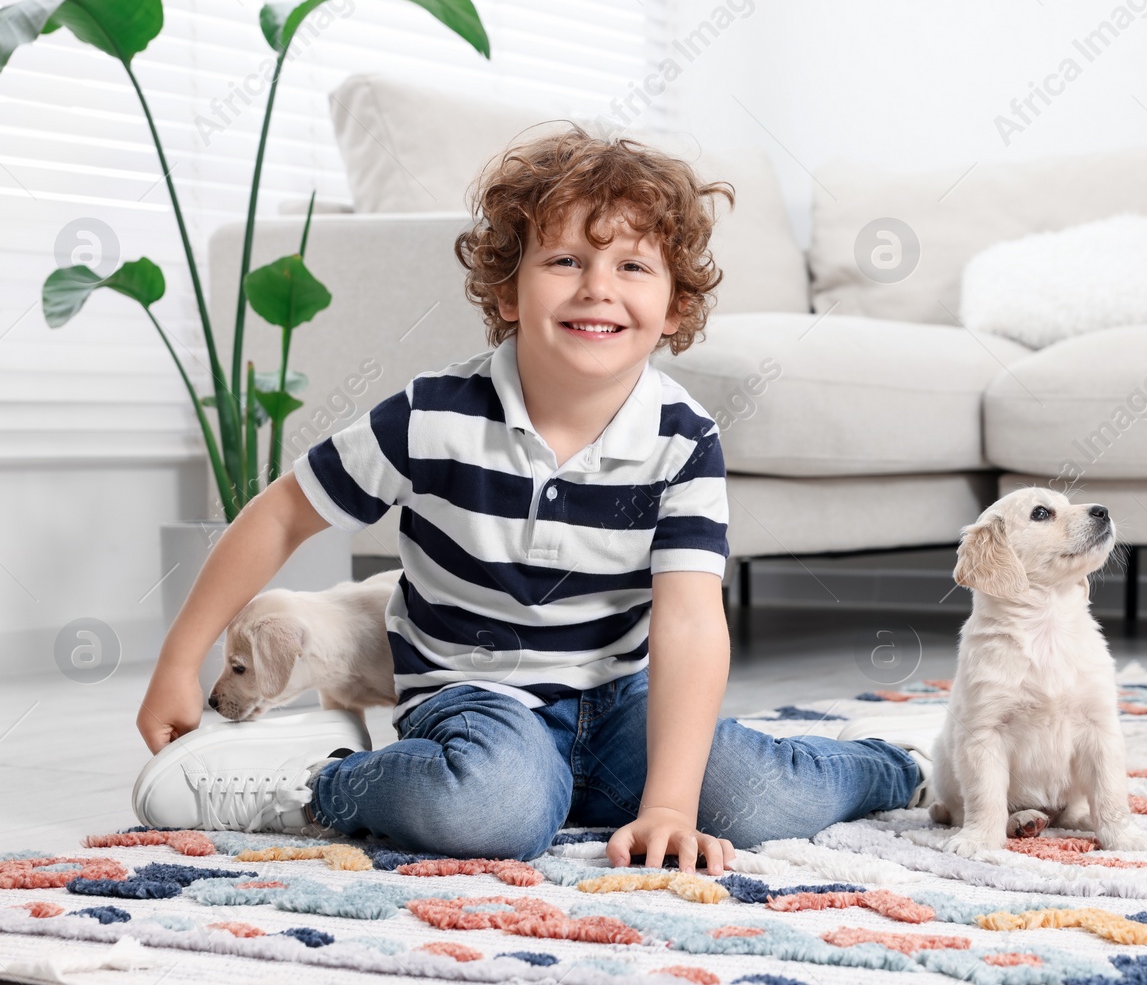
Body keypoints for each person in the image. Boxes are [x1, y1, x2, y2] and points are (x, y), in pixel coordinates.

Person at [132, 128, 926, 874]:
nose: (597, 288)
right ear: (507, 292)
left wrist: (671, 804)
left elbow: (688, 616)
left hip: (620, 702)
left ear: (676, 308)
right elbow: (282, 513)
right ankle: (319, 784)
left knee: (757, 796)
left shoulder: (684, 436)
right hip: (474, 700)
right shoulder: (431, 414)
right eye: (565, 261)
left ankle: (912, 763)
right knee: (495, 815)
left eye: (632, 267)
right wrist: (178, 659)